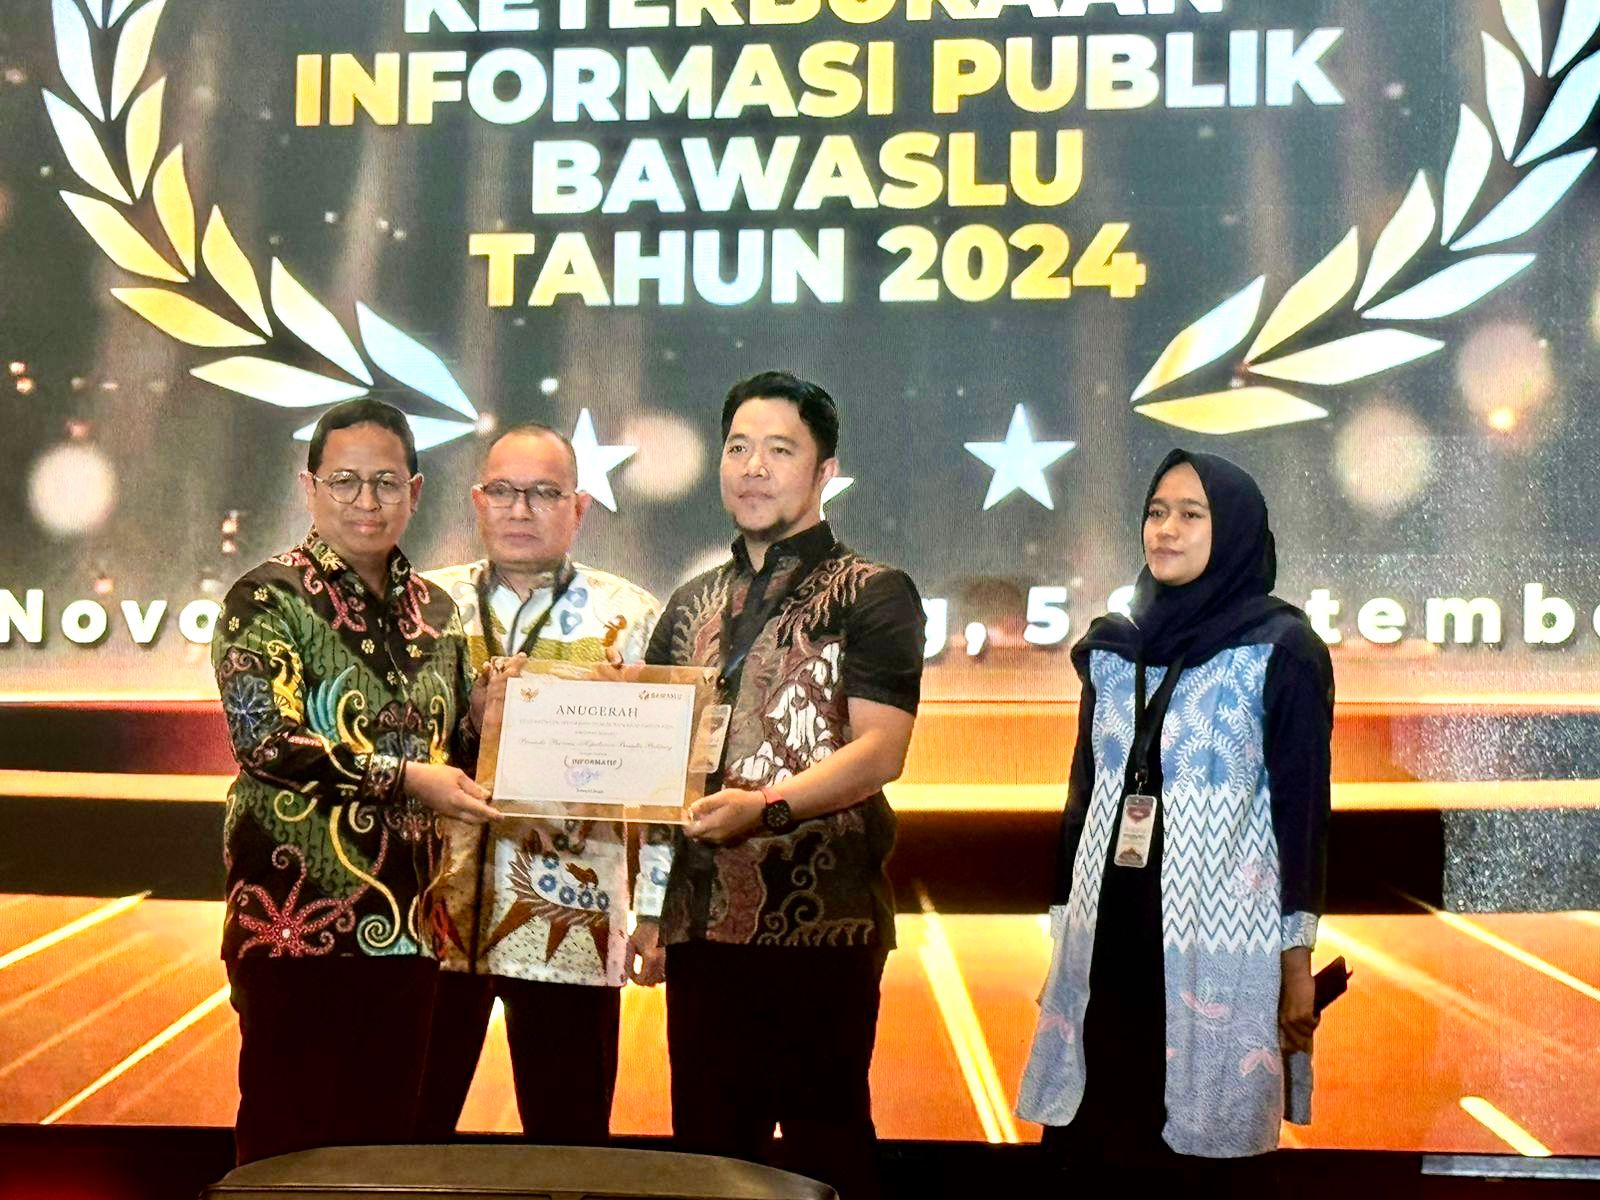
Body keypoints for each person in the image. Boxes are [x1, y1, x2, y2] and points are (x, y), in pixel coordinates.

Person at [638, 371, 925, 1200]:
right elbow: (660, 770)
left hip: (822, 928)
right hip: (701, 929)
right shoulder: (691, 603)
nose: (753, 468)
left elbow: (881, 752)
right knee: (706, 1156)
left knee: (823, 1150)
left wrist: (764, 808)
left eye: (779, 450)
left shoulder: (873, 593)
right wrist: (653, 909)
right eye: (737, 448)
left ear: (824, 470)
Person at [1016, 449, 1334, 1177]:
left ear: (1236, 531)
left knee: (1198, 1153)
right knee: (1089, 1146)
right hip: (1109, 941)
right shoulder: (1111, 647)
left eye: (1192, 515)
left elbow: (1303, 814)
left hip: (1216, 943)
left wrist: (1297, 961)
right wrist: (1065, 940)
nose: (1166, 529)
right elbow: (1081, 801)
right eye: (1156, 513)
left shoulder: (1282, 650)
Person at [212, 398, 502, 1166]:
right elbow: (265, 743)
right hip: (295, 925)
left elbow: (456, 755)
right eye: (344, 481)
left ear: (415, 491)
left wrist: (496, 720)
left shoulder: (439, 614)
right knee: (285, 1152)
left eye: (385, 482)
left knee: (384, 1156)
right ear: (310, 487)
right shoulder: (265, 598)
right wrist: (407, 779)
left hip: (408, 929)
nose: (366, 501)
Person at [417, 423, 664, 1145]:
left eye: (544, 493)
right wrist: (469, 715)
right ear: (477, 501)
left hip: (573, 924)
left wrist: (654, 910)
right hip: (427, 922)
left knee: (570, 1145)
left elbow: (662, 790)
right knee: (403, 1143)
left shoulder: (632, 618)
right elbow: (385, 745)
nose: (520, 509)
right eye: (503, 490)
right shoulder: (423, 608)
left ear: (579, 507)